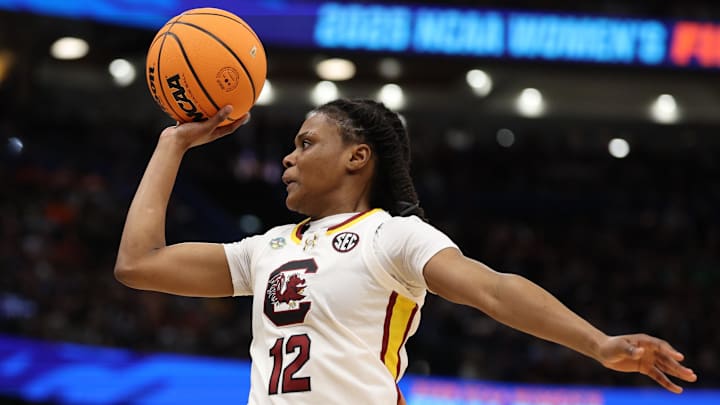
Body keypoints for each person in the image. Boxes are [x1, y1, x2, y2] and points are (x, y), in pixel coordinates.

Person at [114, 99, 697, 404]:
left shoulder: (392, 235)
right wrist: (173, 143)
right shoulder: (265, 248)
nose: (288, 158)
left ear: (357, 157)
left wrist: (598, 344)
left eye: (306, 143)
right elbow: (138, 265)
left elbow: (493, 289)